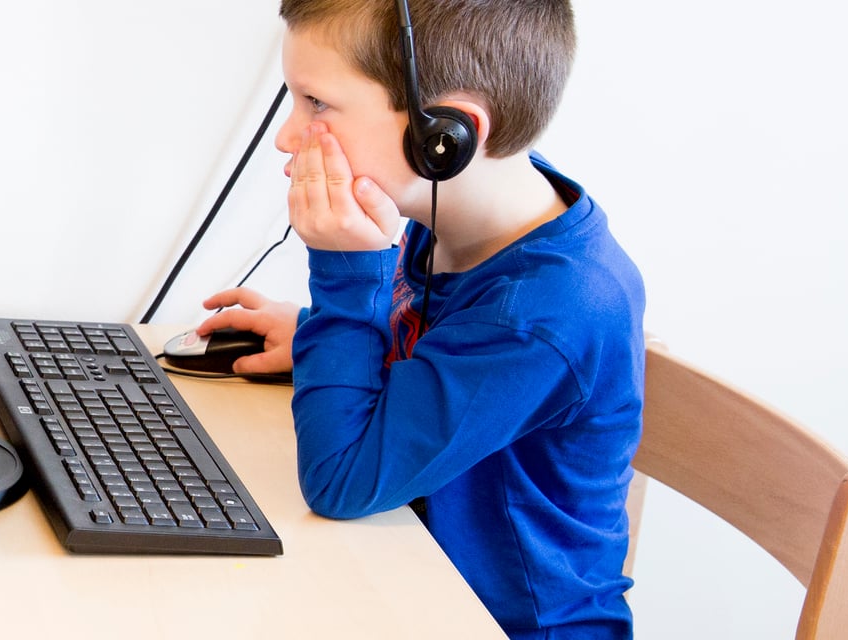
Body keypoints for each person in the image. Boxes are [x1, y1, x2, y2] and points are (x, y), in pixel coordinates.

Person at [195, 1, 644, 637]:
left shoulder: (543, 314)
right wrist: (318, 333)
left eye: (317, 103)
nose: (288, 136)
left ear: (447, 137)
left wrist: (348, 273)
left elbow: (340, 482)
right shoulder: (458, 216)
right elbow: (447, 361)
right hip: (412, 578)